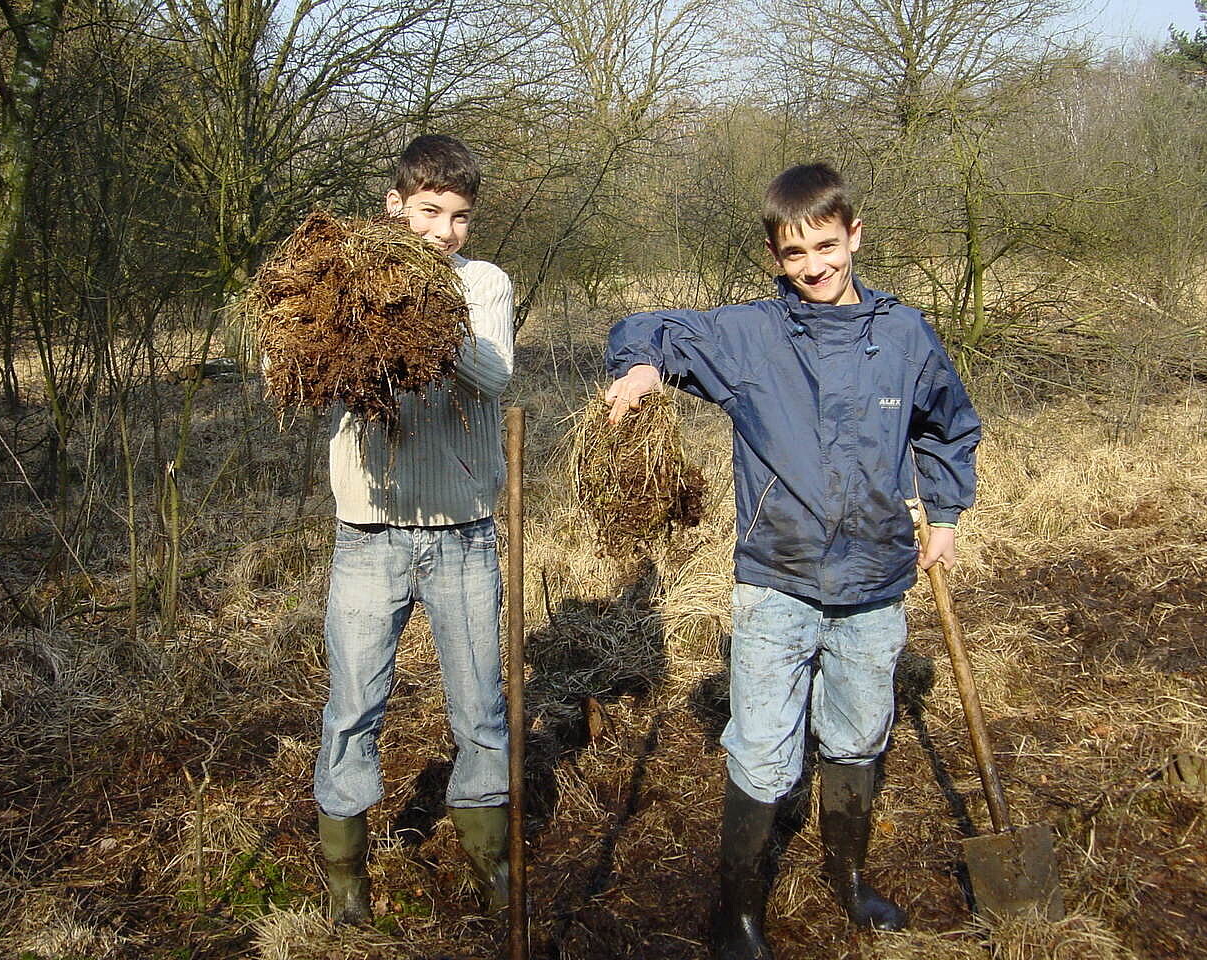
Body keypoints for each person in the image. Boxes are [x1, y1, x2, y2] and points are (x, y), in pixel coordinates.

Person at [604, 163, 980, 957]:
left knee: (858, 734)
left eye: (826, 245)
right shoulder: (750, 337)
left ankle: (846, 879)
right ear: (774, 254)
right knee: (766, 747)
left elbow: (948, 424)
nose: (813, 266)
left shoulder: (905, 335)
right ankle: (737, 915)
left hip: (877, 581)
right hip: (777, 581)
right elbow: (647, 326)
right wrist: (641, 367)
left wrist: (943, 513)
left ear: (854, 235)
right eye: (793, 252)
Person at [314, 134, 515, 924]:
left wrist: (422, 308)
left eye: (460, 216)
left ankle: (490, 860)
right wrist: (367, 298)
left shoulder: (483, 282)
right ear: (394, 204)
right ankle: (345, 876)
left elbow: (495, 375)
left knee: (480, 706)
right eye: (430, 211)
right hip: (369, 527)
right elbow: (300, 364)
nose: (445, 231)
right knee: (354, 704)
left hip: (464, 530)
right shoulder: (344, 277)